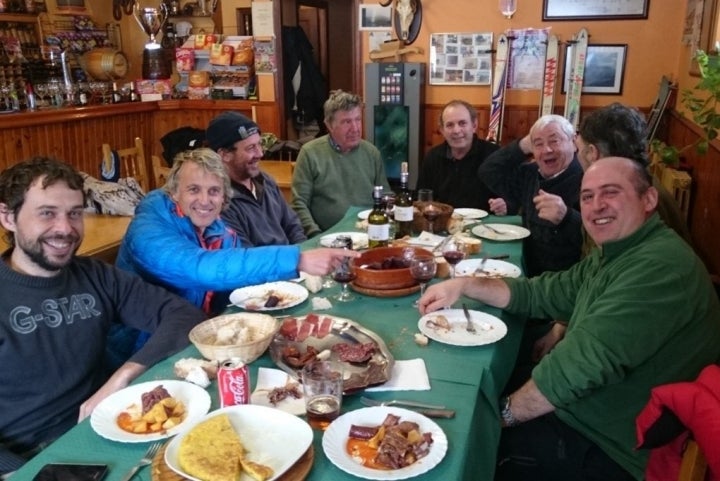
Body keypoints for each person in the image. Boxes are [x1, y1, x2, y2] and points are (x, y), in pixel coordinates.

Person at [419, 156, 720, 481]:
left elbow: (576, 368)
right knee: (473, 385)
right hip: (586, 409)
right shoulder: (622, 251)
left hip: (607, 445)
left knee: (450, 451)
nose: (596, 206)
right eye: (587, 197)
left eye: (611, 192)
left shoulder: (659, 268)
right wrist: (464, 284)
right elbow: (544, 293)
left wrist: (497, 417)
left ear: (648, 199)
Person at [0, 157, 206, 475]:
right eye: (47, 214)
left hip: (109, 431)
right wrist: (20, 472)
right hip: (32, 457)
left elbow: (182, 315)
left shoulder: (93, 275)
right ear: (8, 217)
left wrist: (122, 376)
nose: (65, 228)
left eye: (74, 214)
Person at [533, 103, 694, 361]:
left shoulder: (628, 209)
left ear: (592, 153)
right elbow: (591, 277)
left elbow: (616, 322)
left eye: (579, 148)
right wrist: (561, 325)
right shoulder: (639, 187)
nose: (576, 154)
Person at [116, 148, 356, 315]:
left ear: (223, 197)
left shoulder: (221, 232)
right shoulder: (147, 227)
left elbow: (241, 277)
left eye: (213, 191)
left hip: (197, 332)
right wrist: (299, 259)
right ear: (174, 192)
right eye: (193, 190)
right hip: (144, 352)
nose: (204, 200)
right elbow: (199, 269)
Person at [479, 114, 584, 277]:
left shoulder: (587, 180)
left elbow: (598, 242)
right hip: (525, 269)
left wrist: (567, 217)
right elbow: (488, 171)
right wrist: (521, 146)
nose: (547, 150)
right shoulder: (530, 174)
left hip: (564, 281)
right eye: (538, 144)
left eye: (554, 141)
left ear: (574, 142)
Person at [291, 90, 391, 237]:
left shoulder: (371, 152)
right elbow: (299, 204)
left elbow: (385, 195)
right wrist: (315, 235)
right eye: (347, 122)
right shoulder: (310, 153)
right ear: (329, 125)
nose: (355, 128)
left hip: (369, 234)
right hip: (327, 236)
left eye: (358, 120)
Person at [205, 111, 307, 247]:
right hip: (270, 266)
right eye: (251, 148)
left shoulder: (266, 181)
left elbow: (293, 226)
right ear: (225, 155)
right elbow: (248, 257)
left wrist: (303, 254)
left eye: (259, 144)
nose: (260, 153)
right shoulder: (220, 202)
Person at [417, 99, 506, 212]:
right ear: (442, 130)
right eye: (449, 125)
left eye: (462, 123)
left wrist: (505, 205)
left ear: (474, 126)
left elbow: (513, 198)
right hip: (445, 222)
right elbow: (421, 199)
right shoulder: (432, 157)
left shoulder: (494, 155)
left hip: (485, 226)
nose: (456, 130)